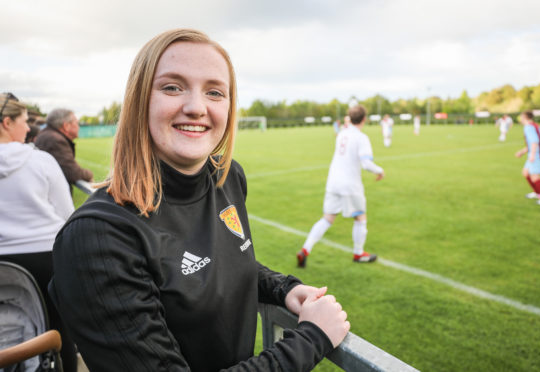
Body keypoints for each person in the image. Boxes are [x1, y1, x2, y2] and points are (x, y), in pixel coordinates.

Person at [48, 29, 350, 372]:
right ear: (139, 100)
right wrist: (312, 338)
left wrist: (282, 288)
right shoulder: (98, 237)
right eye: (172, 87)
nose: (196, 107)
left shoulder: (226, 177)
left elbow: (221, 259)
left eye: (215, 92)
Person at [0, 92, 77, 372]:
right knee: (60, 329)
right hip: (46, 258)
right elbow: (68, 216)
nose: (28, 128)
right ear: (7, 123)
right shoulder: (41, 161)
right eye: (23, 121)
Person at [297, 105, 384, 267]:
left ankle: (305, 249)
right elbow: (366, 163)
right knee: (360, 218)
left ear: (349, 118)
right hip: (350, 185)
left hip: (333, 182)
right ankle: (359, 253)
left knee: (327, 218)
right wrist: (380, 171)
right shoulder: (361, 137)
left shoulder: (342, 134)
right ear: (364, 119)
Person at [35, 108, 93, 193]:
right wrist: (89, 174)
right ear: (66, 126)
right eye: (76, 123)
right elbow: (74, 173)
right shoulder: (55, 140)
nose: (78, 127)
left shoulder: (46, 134)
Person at [515, 111, 540, 205]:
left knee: (535, 177)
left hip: (537, 155)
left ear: (525, 117)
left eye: (521, 116)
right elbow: (533, 142)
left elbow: (534, 142)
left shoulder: (528, 127)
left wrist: (532, 155)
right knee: (526, 173)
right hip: (535, 153)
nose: (520, 118)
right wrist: (522, 152)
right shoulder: (534, 125)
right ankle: (538, 193)